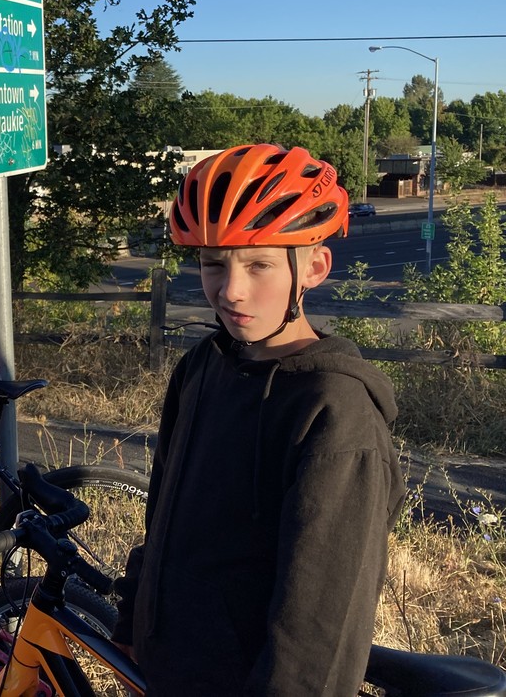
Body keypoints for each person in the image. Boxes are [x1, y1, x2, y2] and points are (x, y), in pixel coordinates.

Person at [113, 144, 406, 696]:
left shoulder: (335, 413)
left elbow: (321, 627)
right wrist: (133, 625)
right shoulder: (202, 366)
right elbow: (163, 514)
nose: (230, 290)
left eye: (260, 264)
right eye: (213, 263)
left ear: (314, 266)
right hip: (167, 671)